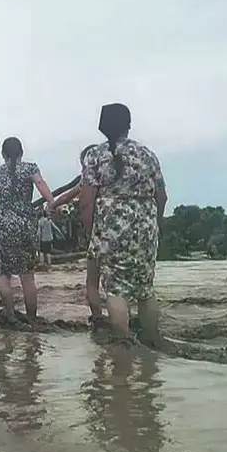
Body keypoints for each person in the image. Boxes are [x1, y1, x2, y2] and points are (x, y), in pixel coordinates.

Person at [78, 103, 168, 347]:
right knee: (146, 289)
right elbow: (162, 197)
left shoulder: (95, 156)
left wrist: (90, 233)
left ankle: (123, 346)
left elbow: (86, 202)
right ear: (128, 125)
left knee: (116, 290)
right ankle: (153, 344)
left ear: (102, 126)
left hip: (111, 229)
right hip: (146, 227)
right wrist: (156, 226)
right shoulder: (147, 154)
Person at [0, 137, 56, 321]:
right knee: (27, 274)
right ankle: (32, 318)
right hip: (25, 223)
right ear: (21, 152)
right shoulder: (30, 168)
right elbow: (40, 184)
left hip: (3, 225)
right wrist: (51, 202)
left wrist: (1, 213)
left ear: (2, 154)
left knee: (3, 272)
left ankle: (9, 313)